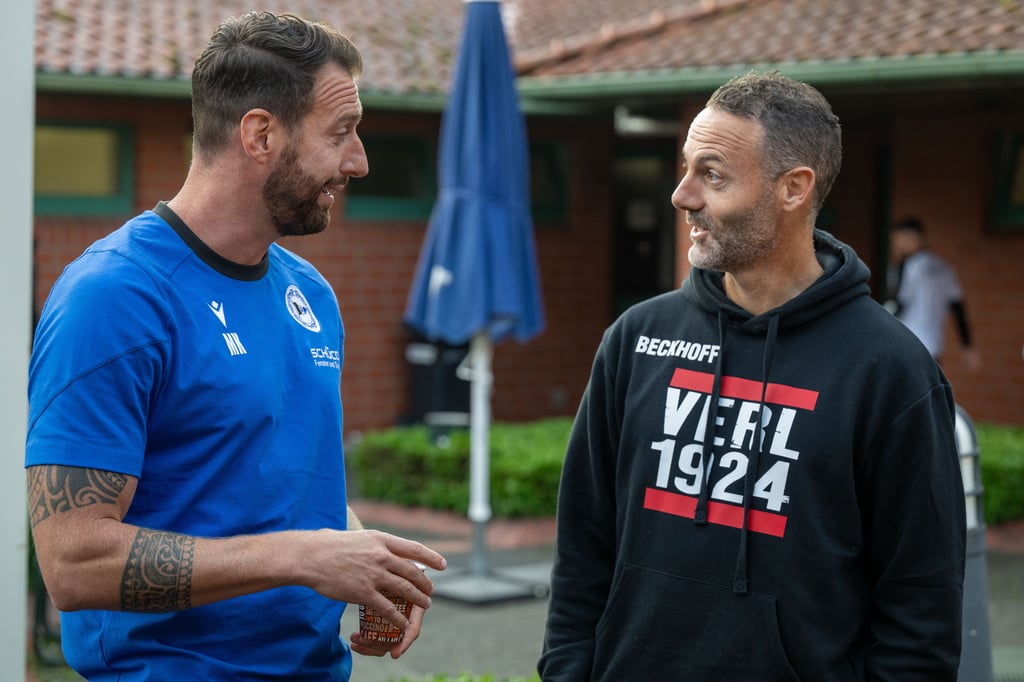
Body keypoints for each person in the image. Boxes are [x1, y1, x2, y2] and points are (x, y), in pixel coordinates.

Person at [25, 12, 446, 681]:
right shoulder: (114, 298)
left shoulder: (310, 293)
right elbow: (73, 565)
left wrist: (363, 555)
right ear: (259, 135)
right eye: (341, 133)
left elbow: (293, 487)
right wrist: (305, 558)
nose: (358, 161)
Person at [539, 71, 966, 681]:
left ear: (793, 189)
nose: (682, 196)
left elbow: (920, 611)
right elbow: (582, 552)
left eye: (711, 175)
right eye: (685, 169)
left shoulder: (889, 370)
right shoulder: (635, 340)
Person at [887, 216, 982, 369]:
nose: (896, 246)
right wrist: (967, 346)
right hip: (934, 347)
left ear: (912, 238)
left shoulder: (909, 267)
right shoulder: (945, 268)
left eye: (898, 240)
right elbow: (958, 308)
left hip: (907, 344)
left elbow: (897, 305)